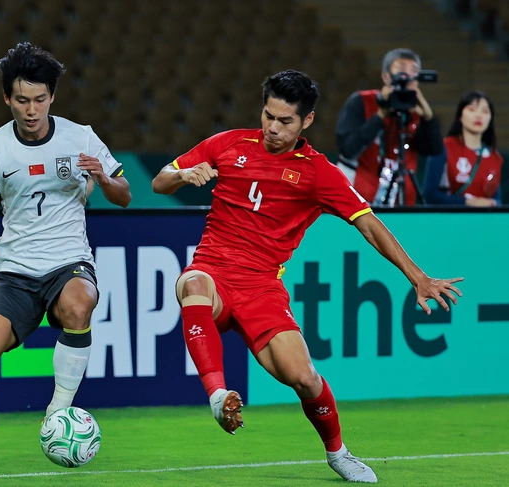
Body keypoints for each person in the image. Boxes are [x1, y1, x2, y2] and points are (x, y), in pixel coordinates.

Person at [152, 70, 463, 483]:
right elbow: (159, 182)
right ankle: (217, 397)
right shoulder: (228, 143)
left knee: (305, 378)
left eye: (285, 121)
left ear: (307, 121)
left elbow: (369, 224)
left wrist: (417, 277)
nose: (273, 128)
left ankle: (338, 454)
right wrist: (181, 176)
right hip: (213, 271)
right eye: (268, 116)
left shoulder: (318, 172)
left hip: (262, 288)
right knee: (192, 285)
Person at [0, 42, 131, 478]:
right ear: (7, 98)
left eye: (40, 99)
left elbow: (124, 196)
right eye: (22, 100)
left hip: (68, 260)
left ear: (52, 97)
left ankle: (57, 412)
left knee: (80, 304)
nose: (31, 110)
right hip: (15, 268)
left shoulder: (80, 137)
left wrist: (102, 178)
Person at [335, 48, 443, 206]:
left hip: (401, 202)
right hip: (357, 200)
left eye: (414, 71)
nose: (408, 77)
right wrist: (380, 116)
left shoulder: (416, 112)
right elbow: (348, 149)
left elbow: (433, 150)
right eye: (401, 70)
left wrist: (429, 119)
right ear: (386, 77)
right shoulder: (361, 101)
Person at [423, 91, 503, 206]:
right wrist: (467, 202)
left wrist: (492, 203)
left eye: (485, 111)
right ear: (460, 116)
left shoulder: (495, 158)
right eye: (472, 109)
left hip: (484, 217)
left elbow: (497, 199)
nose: (479, 115)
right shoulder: (443, 147)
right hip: (450, 216)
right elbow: (430, 195)